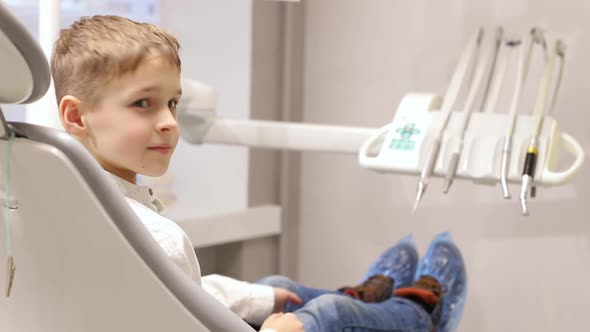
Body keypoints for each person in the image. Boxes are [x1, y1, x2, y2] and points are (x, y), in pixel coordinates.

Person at [50, 14, 466, 332]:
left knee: (273, 285)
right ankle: (420, 310)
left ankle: (368, 297)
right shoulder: (156, 236)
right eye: (144, 103)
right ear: (76, 115)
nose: (169, 122)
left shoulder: (54, 200)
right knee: (326, 314)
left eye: (173, 103)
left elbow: (174, 294)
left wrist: (260, 299)